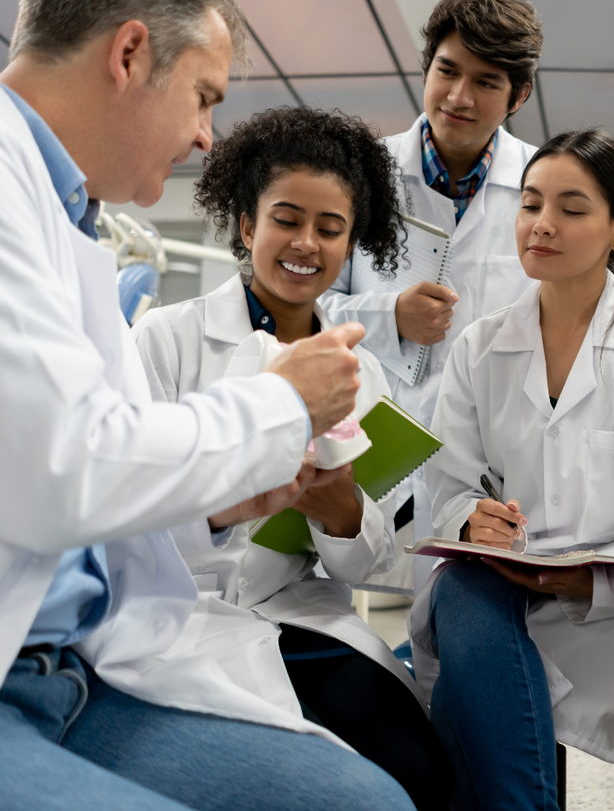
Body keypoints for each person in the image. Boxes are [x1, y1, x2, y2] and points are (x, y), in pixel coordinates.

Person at [0, 0, 414, 811]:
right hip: (22, 668)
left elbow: (94, 506)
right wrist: (274, 410)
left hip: (94, 652)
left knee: (377, 797)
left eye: (331, 229)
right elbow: (64, 470)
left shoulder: (64, 217)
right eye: (202, 96)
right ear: (130, 53)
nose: (202, 135)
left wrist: (230, 501)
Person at [408, 129, 614, 811]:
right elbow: (447, 483)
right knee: (461, 593)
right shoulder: (480, 347)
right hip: (505, 593)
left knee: (474, 721)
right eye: (530, 204)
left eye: (571, 208)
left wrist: (593, 578)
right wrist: (473, 517)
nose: (543, 224)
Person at [133, 105, 451, 811]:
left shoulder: (358, 372)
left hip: (298, 614)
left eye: (330, 228)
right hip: (181, 615)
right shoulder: (166, 339)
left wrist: (341, 515)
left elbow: (368, 564)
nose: (306, 243)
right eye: (286, 219)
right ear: (247, 225)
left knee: (418, 772)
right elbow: (129, 495)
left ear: (350, 243)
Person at [321, 0, 543, 592]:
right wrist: (389, 315)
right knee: (365, 618)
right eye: (447, 71)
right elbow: (307, 306)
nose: (459, 96)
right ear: (427, 68)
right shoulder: (363, 173)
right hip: (378, 445)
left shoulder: (540, 183)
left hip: (490, 463)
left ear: (518, 95)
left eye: (487, 82)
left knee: (468, 622)